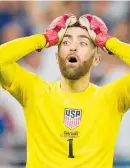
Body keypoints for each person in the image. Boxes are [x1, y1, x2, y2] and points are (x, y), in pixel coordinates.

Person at [0, 13, 130, 168]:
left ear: (96, 59)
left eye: (82, 43)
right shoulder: (35, 90)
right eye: (66, 42)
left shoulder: (111, 97)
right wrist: (44, 39)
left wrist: (109, 42)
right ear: (56, 57)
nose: (73, 47)